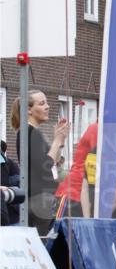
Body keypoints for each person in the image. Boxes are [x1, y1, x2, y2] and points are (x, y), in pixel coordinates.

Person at [11, 91, 69, 235]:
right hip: (39, 200)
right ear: (29, 109)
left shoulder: (32, 132)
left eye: (47, 102)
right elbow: (45, 167)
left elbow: (52, 162)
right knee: (41, 246)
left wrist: (59, 140)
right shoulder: (30, 132)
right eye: (42, 103)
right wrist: (56, 141)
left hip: (41, 199)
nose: (47, 107)